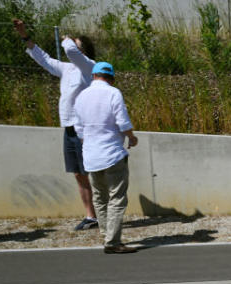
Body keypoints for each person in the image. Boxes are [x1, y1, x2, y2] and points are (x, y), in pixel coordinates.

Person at [13, 19, 99, 231]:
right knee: (78, 174)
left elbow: (70, 51)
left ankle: (106, 211)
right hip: (68, 127)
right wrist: (25, 35)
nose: (71, 45)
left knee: (94, 173)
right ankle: (91, 217)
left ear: (84, 50)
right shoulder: (67, 69)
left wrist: (67, 39)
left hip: (84, 129)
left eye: (76, 44)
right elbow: (43, 58)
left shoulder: (89, 66)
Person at [73, 62, 139, 254]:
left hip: (91, 156)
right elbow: (122, 121)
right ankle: (113, 242)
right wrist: (132, 137)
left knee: (100, 198)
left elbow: (78, 128)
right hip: (112, 154)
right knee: (117, 198)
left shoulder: (81, 96)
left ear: (94, 76)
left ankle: (106, 235)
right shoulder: (113, 93)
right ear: (111, 77)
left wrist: (89, 143)